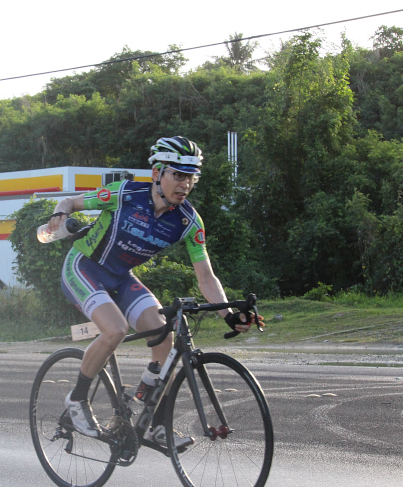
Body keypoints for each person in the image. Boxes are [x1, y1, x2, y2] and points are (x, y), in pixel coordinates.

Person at [45, 136, 264, 449]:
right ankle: (77, 400)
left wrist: (228, 315)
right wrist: (60, 215)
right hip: (84, 268)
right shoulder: (125, 194)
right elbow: (70, 202)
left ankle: (154, 423)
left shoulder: (188, 221)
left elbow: (205, 276)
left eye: (191, 177)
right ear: (157, 173)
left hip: (121, 277)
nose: (185, 184)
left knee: (166, 340)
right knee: (116, 330)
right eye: (178, 175)